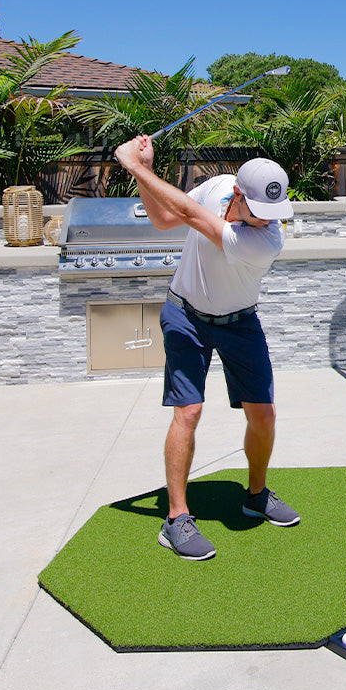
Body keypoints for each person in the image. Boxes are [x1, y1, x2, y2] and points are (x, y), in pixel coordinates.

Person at [115, 134, 299, 561]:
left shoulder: (266, 240)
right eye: (260, 210)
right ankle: (176, 517)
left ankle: (256, 495)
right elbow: (166, 218)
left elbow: (188, 214)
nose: (269, 220)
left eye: (275, 212)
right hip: (185, 315)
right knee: (189, 411)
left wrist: (134, 166)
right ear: (238, 195)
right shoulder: (217, 187)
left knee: (264, 414)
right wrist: (145, 169)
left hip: (240, 322)